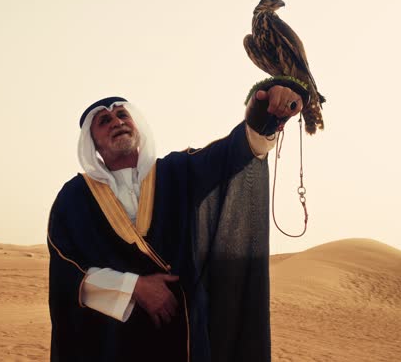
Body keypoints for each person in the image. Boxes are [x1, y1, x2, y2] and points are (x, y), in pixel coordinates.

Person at [48, 85, 305, 362]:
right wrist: (134, 287)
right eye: (104, 120)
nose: (117, 122)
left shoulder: (177, 171)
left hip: (182, 337)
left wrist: (264, 113)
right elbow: (67, 273)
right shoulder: (75, 197)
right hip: (112, 341)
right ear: (92, 143)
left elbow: (230, 155)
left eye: (123, 114)